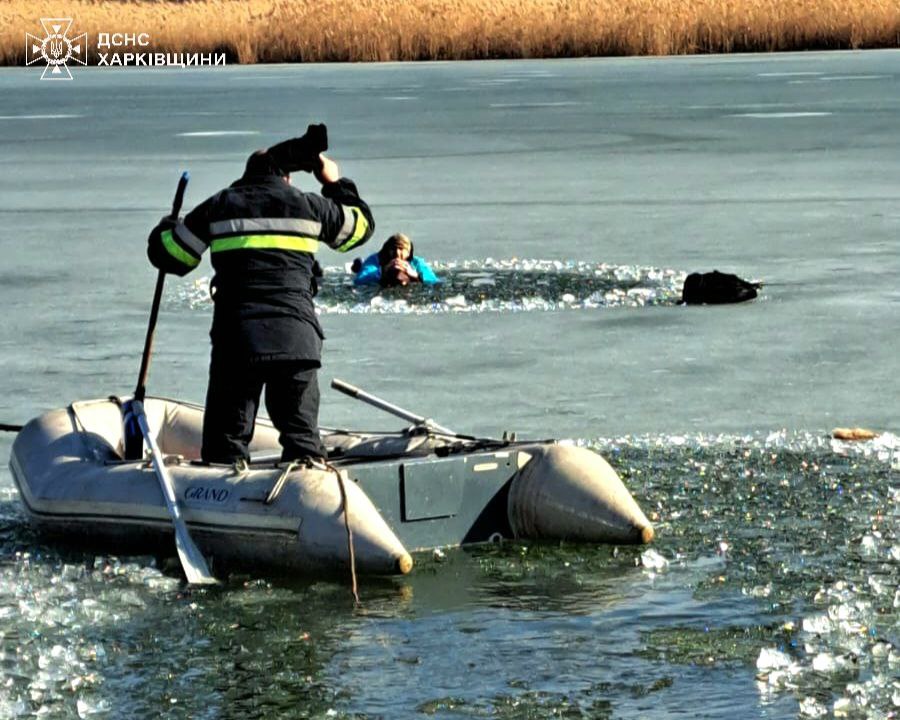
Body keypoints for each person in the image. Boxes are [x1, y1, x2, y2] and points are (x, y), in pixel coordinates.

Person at [147, 124, 374, 464]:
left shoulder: (220, 205)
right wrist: (334, 184)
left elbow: (172, 256)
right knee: (303, 442)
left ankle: (224, 492)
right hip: (296, 339)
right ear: (287, 177)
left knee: (225, 445)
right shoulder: (308, 206)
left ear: (246, 174)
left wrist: (167, 226)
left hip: (238, 341)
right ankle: (308, 488)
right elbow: (360, 228)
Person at [352, 233, 439, 287]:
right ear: (387, 250)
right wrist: (383, 271)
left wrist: (415, 275)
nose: (397, 253)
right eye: (393, 248)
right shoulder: (376, 259)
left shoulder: (416, 262)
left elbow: (434, 280)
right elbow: (359, 280)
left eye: (401, 249)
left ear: (408, 252)